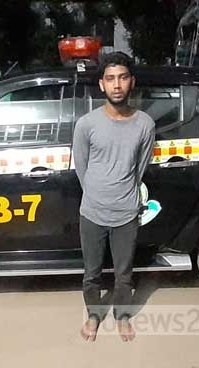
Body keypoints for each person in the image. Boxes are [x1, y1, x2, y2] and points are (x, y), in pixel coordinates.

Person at [73, 52, 156, 342]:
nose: (117, 85)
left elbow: (140, 168)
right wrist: (97, 194)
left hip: (126, 213)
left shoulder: (145, 124)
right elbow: (81, 167)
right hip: (92, 212)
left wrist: (124, 195)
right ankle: (94, 315)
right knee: (91, 272)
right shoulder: (86, 124)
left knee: (124, 273)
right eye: (110, 79)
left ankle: (122, 316)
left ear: (132, 81)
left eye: (122, 77)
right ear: (102, 84)